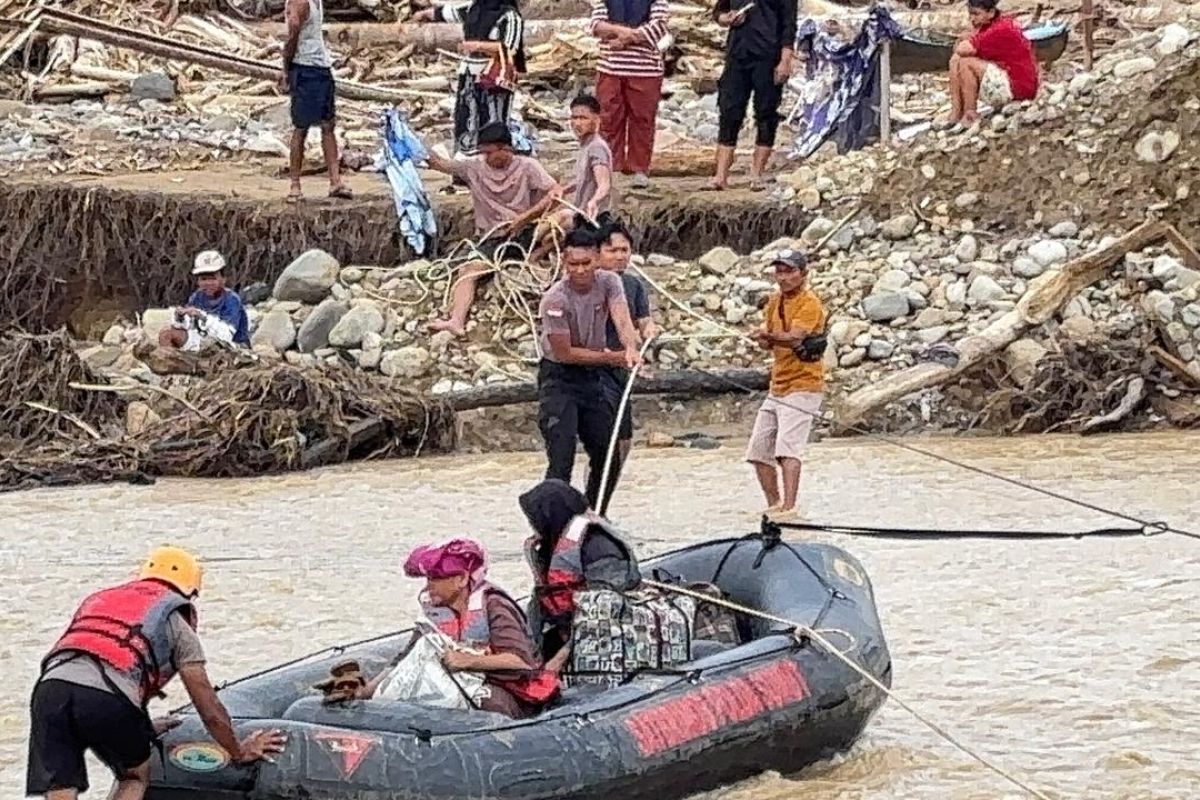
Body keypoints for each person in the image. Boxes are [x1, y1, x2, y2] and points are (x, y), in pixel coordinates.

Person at [27, 547, 285, 800]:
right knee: (134, 776)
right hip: (105, 697)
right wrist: (239, 750)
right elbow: (207, 703)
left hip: (49, 690)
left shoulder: (102, 600)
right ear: (188, 590)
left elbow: (100, 664)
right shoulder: (174, 621)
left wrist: (143, 728)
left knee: (61, 784)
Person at [358, 539, 558, 718]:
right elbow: (406, 659)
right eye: (428, 579)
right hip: (453, 684)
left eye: (436, 579)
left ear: (461, 579)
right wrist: (366, 692)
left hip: (503, 688)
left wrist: (468, 661)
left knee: (491, 704)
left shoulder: (494, 606)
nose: (429, 586)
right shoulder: (433, 613)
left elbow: (520, 661)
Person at [536, 227, 641, 512]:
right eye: (573, 264)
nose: (580, 271)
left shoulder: (610, 282)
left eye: (586, 263)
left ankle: (595, 515)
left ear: (597, 258)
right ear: (564, 261)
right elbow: (565, 353)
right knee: (562, 458)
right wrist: (612, 358)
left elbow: (622, 320)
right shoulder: (555, 300)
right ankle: (552, 524)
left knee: (609, 454)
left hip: (591, 379)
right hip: (559, 378)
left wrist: (630, 347)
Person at [424, 122, 562, 336]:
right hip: (493, 237)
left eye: (490, 152)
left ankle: (536, 256)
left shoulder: (528, 166)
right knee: (467, 272)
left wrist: (525, 218)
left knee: (566, 219)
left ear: (505, 149)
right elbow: (438, 164)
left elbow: (555, 193)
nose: (486, 157)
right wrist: (412, 144)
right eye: (483, 152)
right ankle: (456, 320)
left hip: (527, 230)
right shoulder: (473, 167)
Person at [518, 479, 638, 661]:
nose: (532, 525)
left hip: (606, 639)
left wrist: (559, 659)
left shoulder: (599, 548)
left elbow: (605, 612)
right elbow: (540, 602)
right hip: (565, 628)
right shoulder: (549, 547)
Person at [746, 249, 827, 518]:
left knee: (787, 450)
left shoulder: (810, 303)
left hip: (805, 385)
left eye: (789, 271)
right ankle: (774, 505)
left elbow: (795, 338)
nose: (783, 277)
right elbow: (771, 343)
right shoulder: (773, 302)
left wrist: (767, 334)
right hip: (778, 385)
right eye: (779, 271)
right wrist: (762, 338)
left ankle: (790, 509)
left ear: (803, 274)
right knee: (759, 451)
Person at [411, 0, 525, 160]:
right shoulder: (475, 8)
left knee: (493, 117)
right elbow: (449, 13)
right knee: (465, 114)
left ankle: (491, 158)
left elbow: (510, 47)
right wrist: (423, 14)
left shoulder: (510, 17)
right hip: (469, 73)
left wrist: (478, 46)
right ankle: (465, 157)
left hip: (494, 77)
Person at [708, 0, 797, 191]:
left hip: (768, 55)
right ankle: (720, 176)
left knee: (766, 113)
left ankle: (756, 175)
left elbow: (789, 24)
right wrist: (727, 19)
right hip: (737, 54)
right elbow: (719, 12)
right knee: (729, 111)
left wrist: (785, 60)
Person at [596, 219, 656, 480]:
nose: (620, 256)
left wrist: (650, 329)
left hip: (623, 368)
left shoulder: (633, 285)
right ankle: (593, 495)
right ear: (598, 253)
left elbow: (643, 318)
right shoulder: (591, 285)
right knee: (606, 440)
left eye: (625, 250)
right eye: (612, 250)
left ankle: (603, 496)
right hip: (596, 368)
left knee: (625, 441)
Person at [588, 0, 670, 189]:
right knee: (608, 119)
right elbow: (596, 25)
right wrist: (624, 32)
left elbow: (658, 27)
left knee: (642, 120)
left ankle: (639, 168)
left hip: (645, 70)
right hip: (610, 68)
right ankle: (610, 167)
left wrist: (625, 39)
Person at [280, 0, 352, 202]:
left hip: (319, 65)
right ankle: (295, 184)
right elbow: (293, 29)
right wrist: (287, 65)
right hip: (305, 66)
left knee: (327, 124)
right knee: (301, 127)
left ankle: (335, 181)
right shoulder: (300, 2)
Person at [532, 94, 614, 260]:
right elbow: (584, 178)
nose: (577, 123)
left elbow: (604, 183)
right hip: (581, 214)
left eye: (583, 118)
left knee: (555, 229)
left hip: (592, 219)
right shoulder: (586, 145)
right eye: (574, 118)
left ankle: (527, 253)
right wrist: (563, 189)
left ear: (596, 119)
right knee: (551, 233)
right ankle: (529, 253)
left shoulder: (597, 148)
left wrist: (594, 201)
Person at [945, 0, 1039, 127]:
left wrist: (970, 35)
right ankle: (956, 111)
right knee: (955, 60)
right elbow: (958, 51)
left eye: (976, 14)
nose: (972, 19)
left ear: (991, 13)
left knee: (966, 63)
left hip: (1018, 88)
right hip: (1007, 79)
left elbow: (962, 48)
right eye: (970, 14)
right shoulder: (989, 26)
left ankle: (970, 112)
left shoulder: (1000, 29)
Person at [157, 250, 250, 351]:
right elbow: (189, 327)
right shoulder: (197, 296)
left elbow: (226, 335)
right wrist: (180, 318)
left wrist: (201, 316)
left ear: (223, 279)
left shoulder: (232, 300)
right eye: (204, 279)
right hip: (204, 341)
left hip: (234, 347)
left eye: (212, 279)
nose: (208, 283)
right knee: (166, 334)